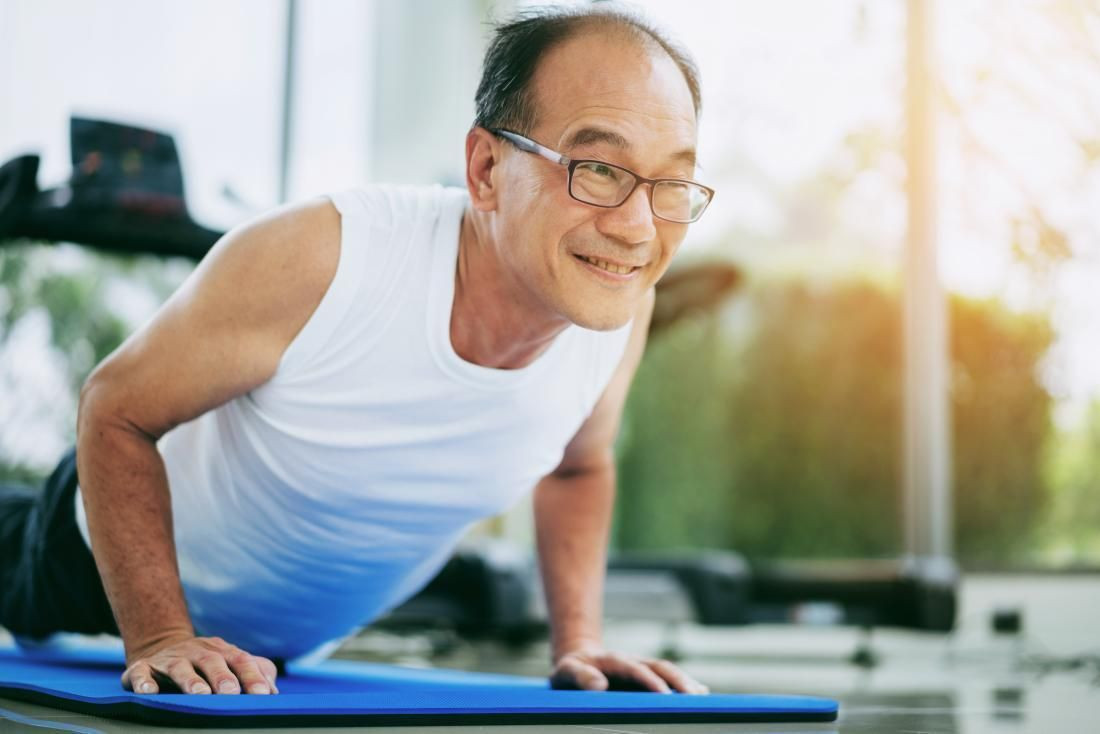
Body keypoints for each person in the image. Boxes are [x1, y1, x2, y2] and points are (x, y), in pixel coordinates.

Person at [0, 6, 715, 697]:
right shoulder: (325, 256)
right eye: (598, 169)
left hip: (278, 654)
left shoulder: (620, 310)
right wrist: (159, 636)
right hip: (85, 571)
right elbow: (114, 409)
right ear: (487, 169)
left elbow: (579, 464)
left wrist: (579, 642)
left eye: (672, 183)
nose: (636, 228)